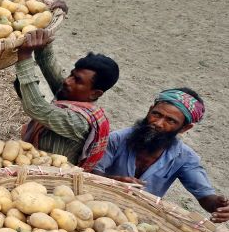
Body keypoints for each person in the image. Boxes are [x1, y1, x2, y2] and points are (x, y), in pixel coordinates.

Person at [94, 88, 229, 222]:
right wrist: (113, 181)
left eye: (170, 121)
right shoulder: (116, 139)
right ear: (149, 110)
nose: (157, 123)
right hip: (99, 203)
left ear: (185, 128)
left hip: (140, 217)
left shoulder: (185, 157)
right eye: (156, 114)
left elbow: (205, 196)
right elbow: (91, 173)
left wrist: (218, 205)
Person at [15, 13, 120, 170]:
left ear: (95, 94)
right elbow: (46, 62)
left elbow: (36, 107)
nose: (67, 80)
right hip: (33, 161)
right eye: (72, 74)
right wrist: (49, 20)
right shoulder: (73, 95)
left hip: (51, 175)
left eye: (77, 80)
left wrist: (24, 57)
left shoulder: (80, 122)